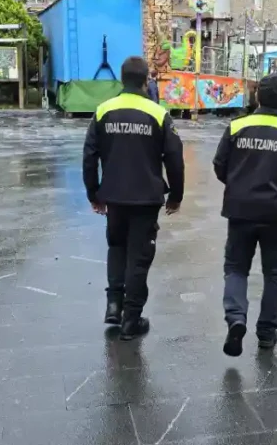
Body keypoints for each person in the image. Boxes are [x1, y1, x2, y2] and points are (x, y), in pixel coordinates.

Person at [212, 73, 277, 356]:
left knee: (236, 268)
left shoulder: (237, 126)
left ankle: (236, 318)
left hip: (241, 210)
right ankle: (267, 333)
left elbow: (220, 166)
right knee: (274, 274)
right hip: (276, 214)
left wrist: (240, 185)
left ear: (258, 95)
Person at [83, 56, 184, 340]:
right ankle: (132, 319)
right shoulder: (158, 113)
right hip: (146, 199)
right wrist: (175, 195)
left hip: (114, 197)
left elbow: (89, 155)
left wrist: (94, 193)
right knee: (139, 258)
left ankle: (114, 305)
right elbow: (175, 158)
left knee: (116, 247)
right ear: (145, 80)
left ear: (122, 79)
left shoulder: (103, 111)